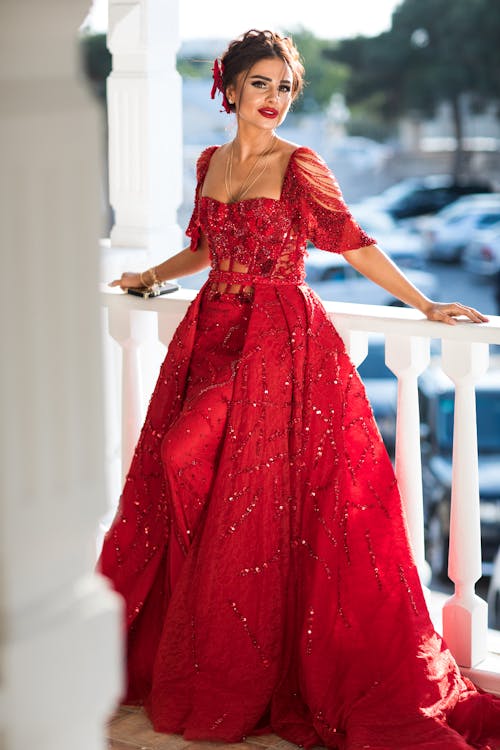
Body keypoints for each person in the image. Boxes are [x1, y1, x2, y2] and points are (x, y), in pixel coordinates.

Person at [98, 29, 500, 750]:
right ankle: (214, 636)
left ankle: (252, 660)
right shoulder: (210, 161)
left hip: (278, 341)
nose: (275, 100)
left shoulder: (301, 167)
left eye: (285, 87)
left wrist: (424, 305)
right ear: (230, 88)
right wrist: (151, 276)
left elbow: (353, 241)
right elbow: (203, 245)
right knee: (187, 473)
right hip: (211, 333)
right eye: (262, 84)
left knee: (206, 464)